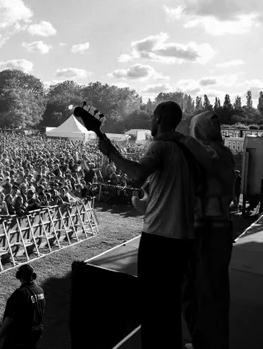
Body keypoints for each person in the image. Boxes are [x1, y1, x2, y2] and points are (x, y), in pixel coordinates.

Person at [97, 101, 198, 349]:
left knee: (152, 307)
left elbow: (138, 173)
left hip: (159, 238)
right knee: (170, 305)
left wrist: (111, 153)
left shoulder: (160, 145)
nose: (151, 121)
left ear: (158, 118)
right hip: (184, 238)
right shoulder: (186, 150)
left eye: (153, 117)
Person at [179, 111, 236, 349]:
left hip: (209, 233)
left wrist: (179, 139)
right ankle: (204, 341)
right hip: (211, 231)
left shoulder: (216, 153)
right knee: (201, 292)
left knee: (205, 292)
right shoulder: (219, 153)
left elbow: (208, 160)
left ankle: (209, 344)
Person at [0, 263, 45, 349]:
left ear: (19, 276)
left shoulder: (20, 294)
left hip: (20, 338)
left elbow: (9, 318)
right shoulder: (40, 291)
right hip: (35, 335)